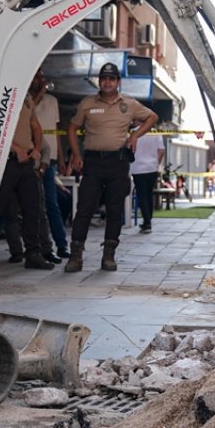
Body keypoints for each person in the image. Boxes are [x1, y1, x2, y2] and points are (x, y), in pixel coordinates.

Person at [65, 62, 158, 272]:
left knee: (115, 210)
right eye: (104, 78)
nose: (107, 82)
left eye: (111, 79)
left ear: (118, 82)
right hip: (93, 163)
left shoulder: (129, 103)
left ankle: (109, 255)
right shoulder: (87, 103)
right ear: (99, 81)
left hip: (117, 163)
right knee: (85, 209)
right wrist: (76, 155)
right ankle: (76, 255)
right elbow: (72, 128)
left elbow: (152, 117)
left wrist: (135, 135)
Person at [0, 79, 54, 270]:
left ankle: (33, 253)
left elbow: (35, 125)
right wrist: (16, 149)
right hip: (4, 161)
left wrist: (37, 149)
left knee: (32, 208)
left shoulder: (26, 97)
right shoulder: (1, 93)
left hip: (26, 163)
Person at [31, 71, 70, 258]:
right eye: (37, 77)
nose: (40, 81)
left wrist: (61, 157)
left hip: (50, 157)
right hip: (32, 156)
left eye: (42, 77)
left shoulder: (52, 101)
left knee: (51, 203)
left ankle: (61, 244)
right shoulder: (25, 99)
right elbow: (33, 108)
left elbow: (55, 130)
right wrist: (40, 93)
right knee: (33, 204)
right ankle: (36, 246)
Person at [129, 126, 165, 234]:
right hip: (152, 167)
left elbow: (128, 147)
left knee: (142, 195)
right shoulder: (155, 132)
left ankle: (147, 221)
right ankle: (148, 218)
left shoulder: (133, 132)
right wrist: (156, 163)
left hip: (138, 168)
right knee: (149, 194)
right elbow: (161, 150)